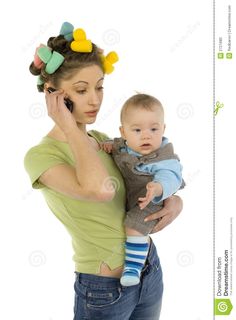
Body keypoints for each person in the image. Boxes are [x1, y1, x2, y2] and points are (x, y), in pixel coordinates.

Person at [24, 21, 183, 320]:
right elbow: (98, 190)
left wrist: (175, 201)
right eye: (82, 90)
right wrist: (70, 127)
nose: (95, 99)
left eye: (99, 87)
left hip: (149, 270)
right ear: (52, 94)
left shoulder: (100, 141)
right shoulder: (40, 157)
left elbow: (144, 178)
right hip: (103, 289)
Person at [100, 93, 185, 287]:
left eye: (154, 129)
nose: (146, 135)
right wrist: (108, 146)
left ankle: (133, 266)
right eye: (137, 130)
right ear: (123, 132)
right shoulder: (123, 146)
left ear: (163, 129)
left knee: (135, 225)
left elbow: (171, 176)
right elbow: (117, 147)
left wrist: (157, 188)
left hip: (151, 200)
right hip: (132, 197)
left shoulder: (164, 157)